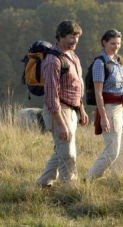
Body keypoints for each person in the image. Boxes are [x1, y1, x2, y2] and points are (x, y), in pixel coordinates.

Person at [36, 20, 88, 187]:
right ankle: (69, 190)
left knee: (61, 151)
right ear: (59, 37)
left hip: (71, 110)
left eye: (77, 37)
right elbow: (52, 96)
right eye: (71, 36)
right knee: (68, 154)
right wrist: (61, 123)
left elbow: (77, 85)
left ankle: (43, 184)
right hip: (59, 111)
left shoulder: (73, 56)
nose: (75, 40)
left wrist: (81, 109)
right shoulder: (53, 60)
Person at [85, 29, 123, 180]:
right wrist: (103, 117)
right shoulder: (100, 63)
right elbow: (98, 93)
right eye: (113, 43)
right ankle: (88, 179)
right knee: (112, 151)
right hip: (109, 108)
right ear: (104, 42)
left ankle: (116, 180)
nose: (116, 46)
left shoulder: (118, 61)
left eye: (118, 43)